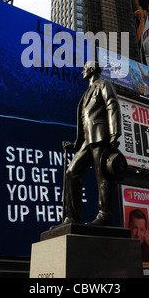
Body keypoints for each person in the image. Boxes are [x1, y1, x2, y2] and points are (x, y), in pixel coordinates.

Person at [58, 60, 122, 227]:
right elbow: (85, 122)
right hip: (87, 140)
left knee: (103, 177)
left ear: (92, 69)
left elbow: (112, 105)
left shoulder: (104, 84)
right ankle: (72, 218)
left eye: (85, 69)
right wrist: (74, 144)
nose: (82, 72)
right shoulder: (87, 93)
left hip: (101, 136)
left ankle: (105, 215)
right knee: (71, 173)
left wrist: (114, 133)